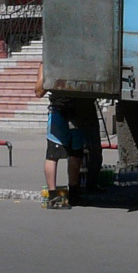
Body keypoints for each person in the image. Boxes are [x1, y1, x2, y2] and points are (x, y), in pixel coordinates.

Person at [35, 62, 85, 207]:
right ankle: (56, 194)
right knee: (55, 154)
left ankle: (70, 193)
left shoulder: (49, 63)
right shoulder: (48, 63)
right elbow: (38, 92)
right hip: (61, 111)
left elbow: (38, 91)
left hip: (73, 111)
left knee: (73, 154)